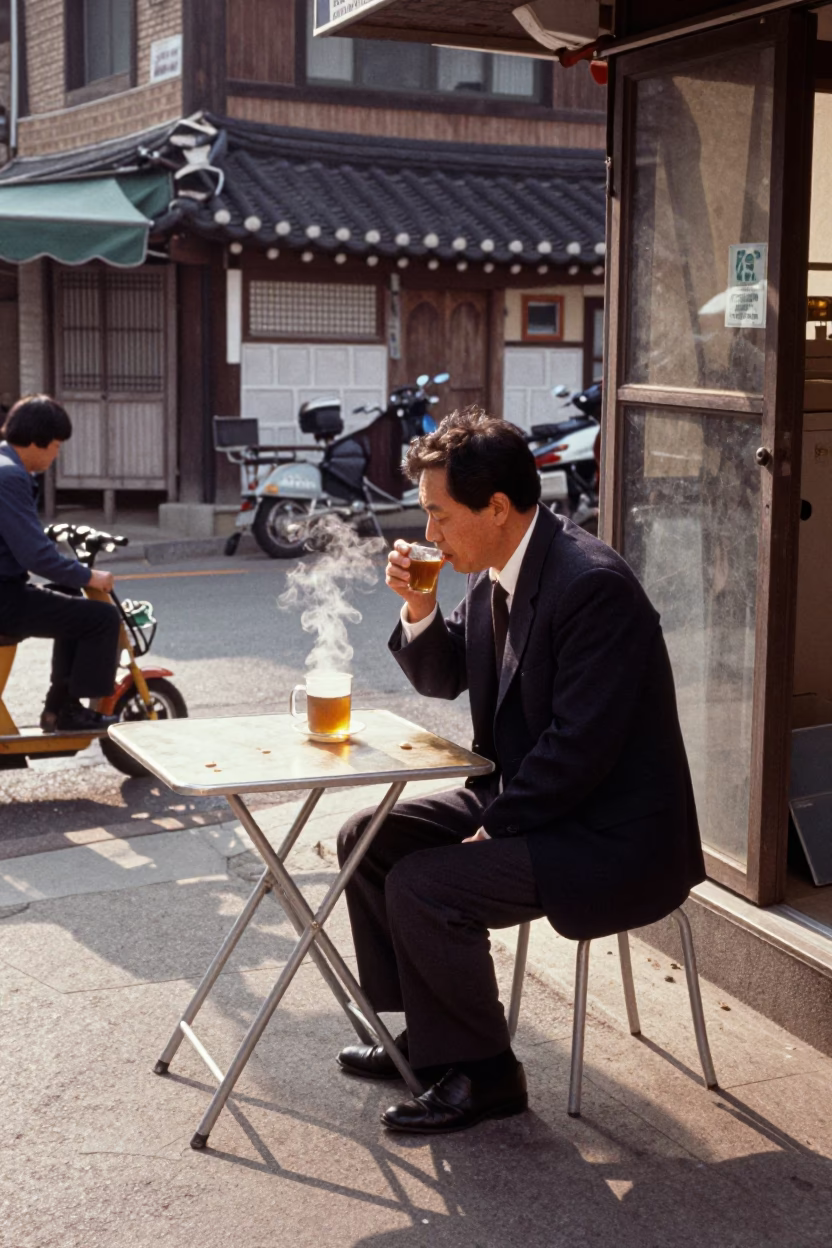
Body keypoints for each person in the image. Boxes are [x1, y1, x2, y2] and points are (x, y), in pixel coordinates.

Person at [335, 407, 705, 1135]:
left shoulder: (591, 585)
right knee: (370, 837)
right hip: (539, 801)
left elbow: (581, 746)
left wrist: (494, 828)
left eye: (440, 517)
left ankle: (487, 1075)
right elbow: (445, 679)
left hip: (608, 829)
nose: (430, 535)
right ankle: (438, 1038)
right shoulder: (494, 569)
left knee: (428, 884)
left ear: (497, 507)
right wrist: (418, 605)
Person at [0, 395, 120, 732]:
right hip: (4, 598)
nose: (56, 454)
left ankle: (58, 707)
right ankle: (68, 712)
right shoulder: (10, 477)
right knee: (101, 618)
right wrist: (88, 575)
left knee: (68, 594)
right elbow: (34, 556)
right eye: (55, 446)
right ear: (37, 442)